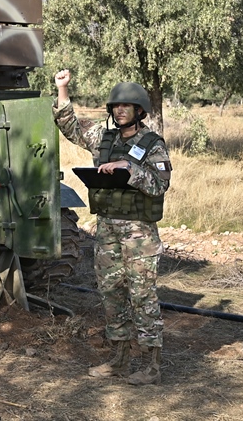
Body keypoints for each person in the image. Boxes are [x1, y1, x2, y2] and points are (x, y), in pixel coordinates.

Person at [53, 70, 172, 385]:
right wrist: (63, 89)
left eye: (126, 106)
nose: (119, 111)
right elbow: (69, 125)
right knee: (111, 294)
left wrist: (129, 168)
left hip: (139, 235)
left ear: (139, 111)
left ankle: (152, 366)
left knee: (142, 296)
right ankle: (118, 361)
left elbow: (160, 184)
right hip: (107, 232)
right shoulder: (102, 138)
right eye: (116, 106)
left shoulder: (152, 144)